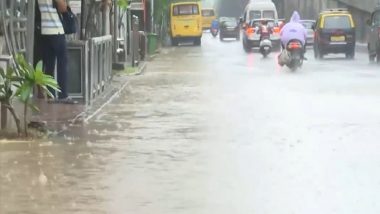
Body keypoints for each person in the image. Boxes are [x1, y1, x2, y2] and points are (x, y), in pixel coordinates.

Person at [37, 0, 76, 104]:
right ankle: (63, 95)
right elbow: (62, 7)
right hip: (56, 30)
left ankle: (51, 95)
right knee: (62, 63)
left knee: (49, 65)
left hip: (45, 30)